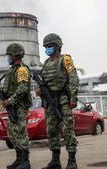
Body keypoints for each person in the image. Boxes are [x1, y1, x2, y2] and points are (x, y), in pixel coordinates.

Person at [36, 33, 79, 169]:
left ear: (57, 46)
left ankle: (72, 161)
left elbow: (73, 78)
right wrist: (39, 91)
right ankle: (55, 161)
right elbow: (44, 83)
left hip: (63, 100)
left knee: (67, 130)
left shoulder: (65, 59)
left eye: (50, 46)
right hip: (50, 102)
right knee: (52, 131)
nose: (47, 49)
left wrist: (73, 97)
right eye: (46, 47)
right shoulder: (46, 63)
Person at [1, 43, 32, 169]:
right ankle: (19, 160)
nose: (8, 57)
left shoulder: (22, 69)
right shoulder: (11, 70)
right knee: (13, 133)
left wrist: (10, 101)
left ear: (15, 55)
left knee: (20, 132)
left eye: (9, 55)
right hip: (12, 106)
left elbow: (23, 88)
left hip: (19, 106)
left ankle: (26, 162)